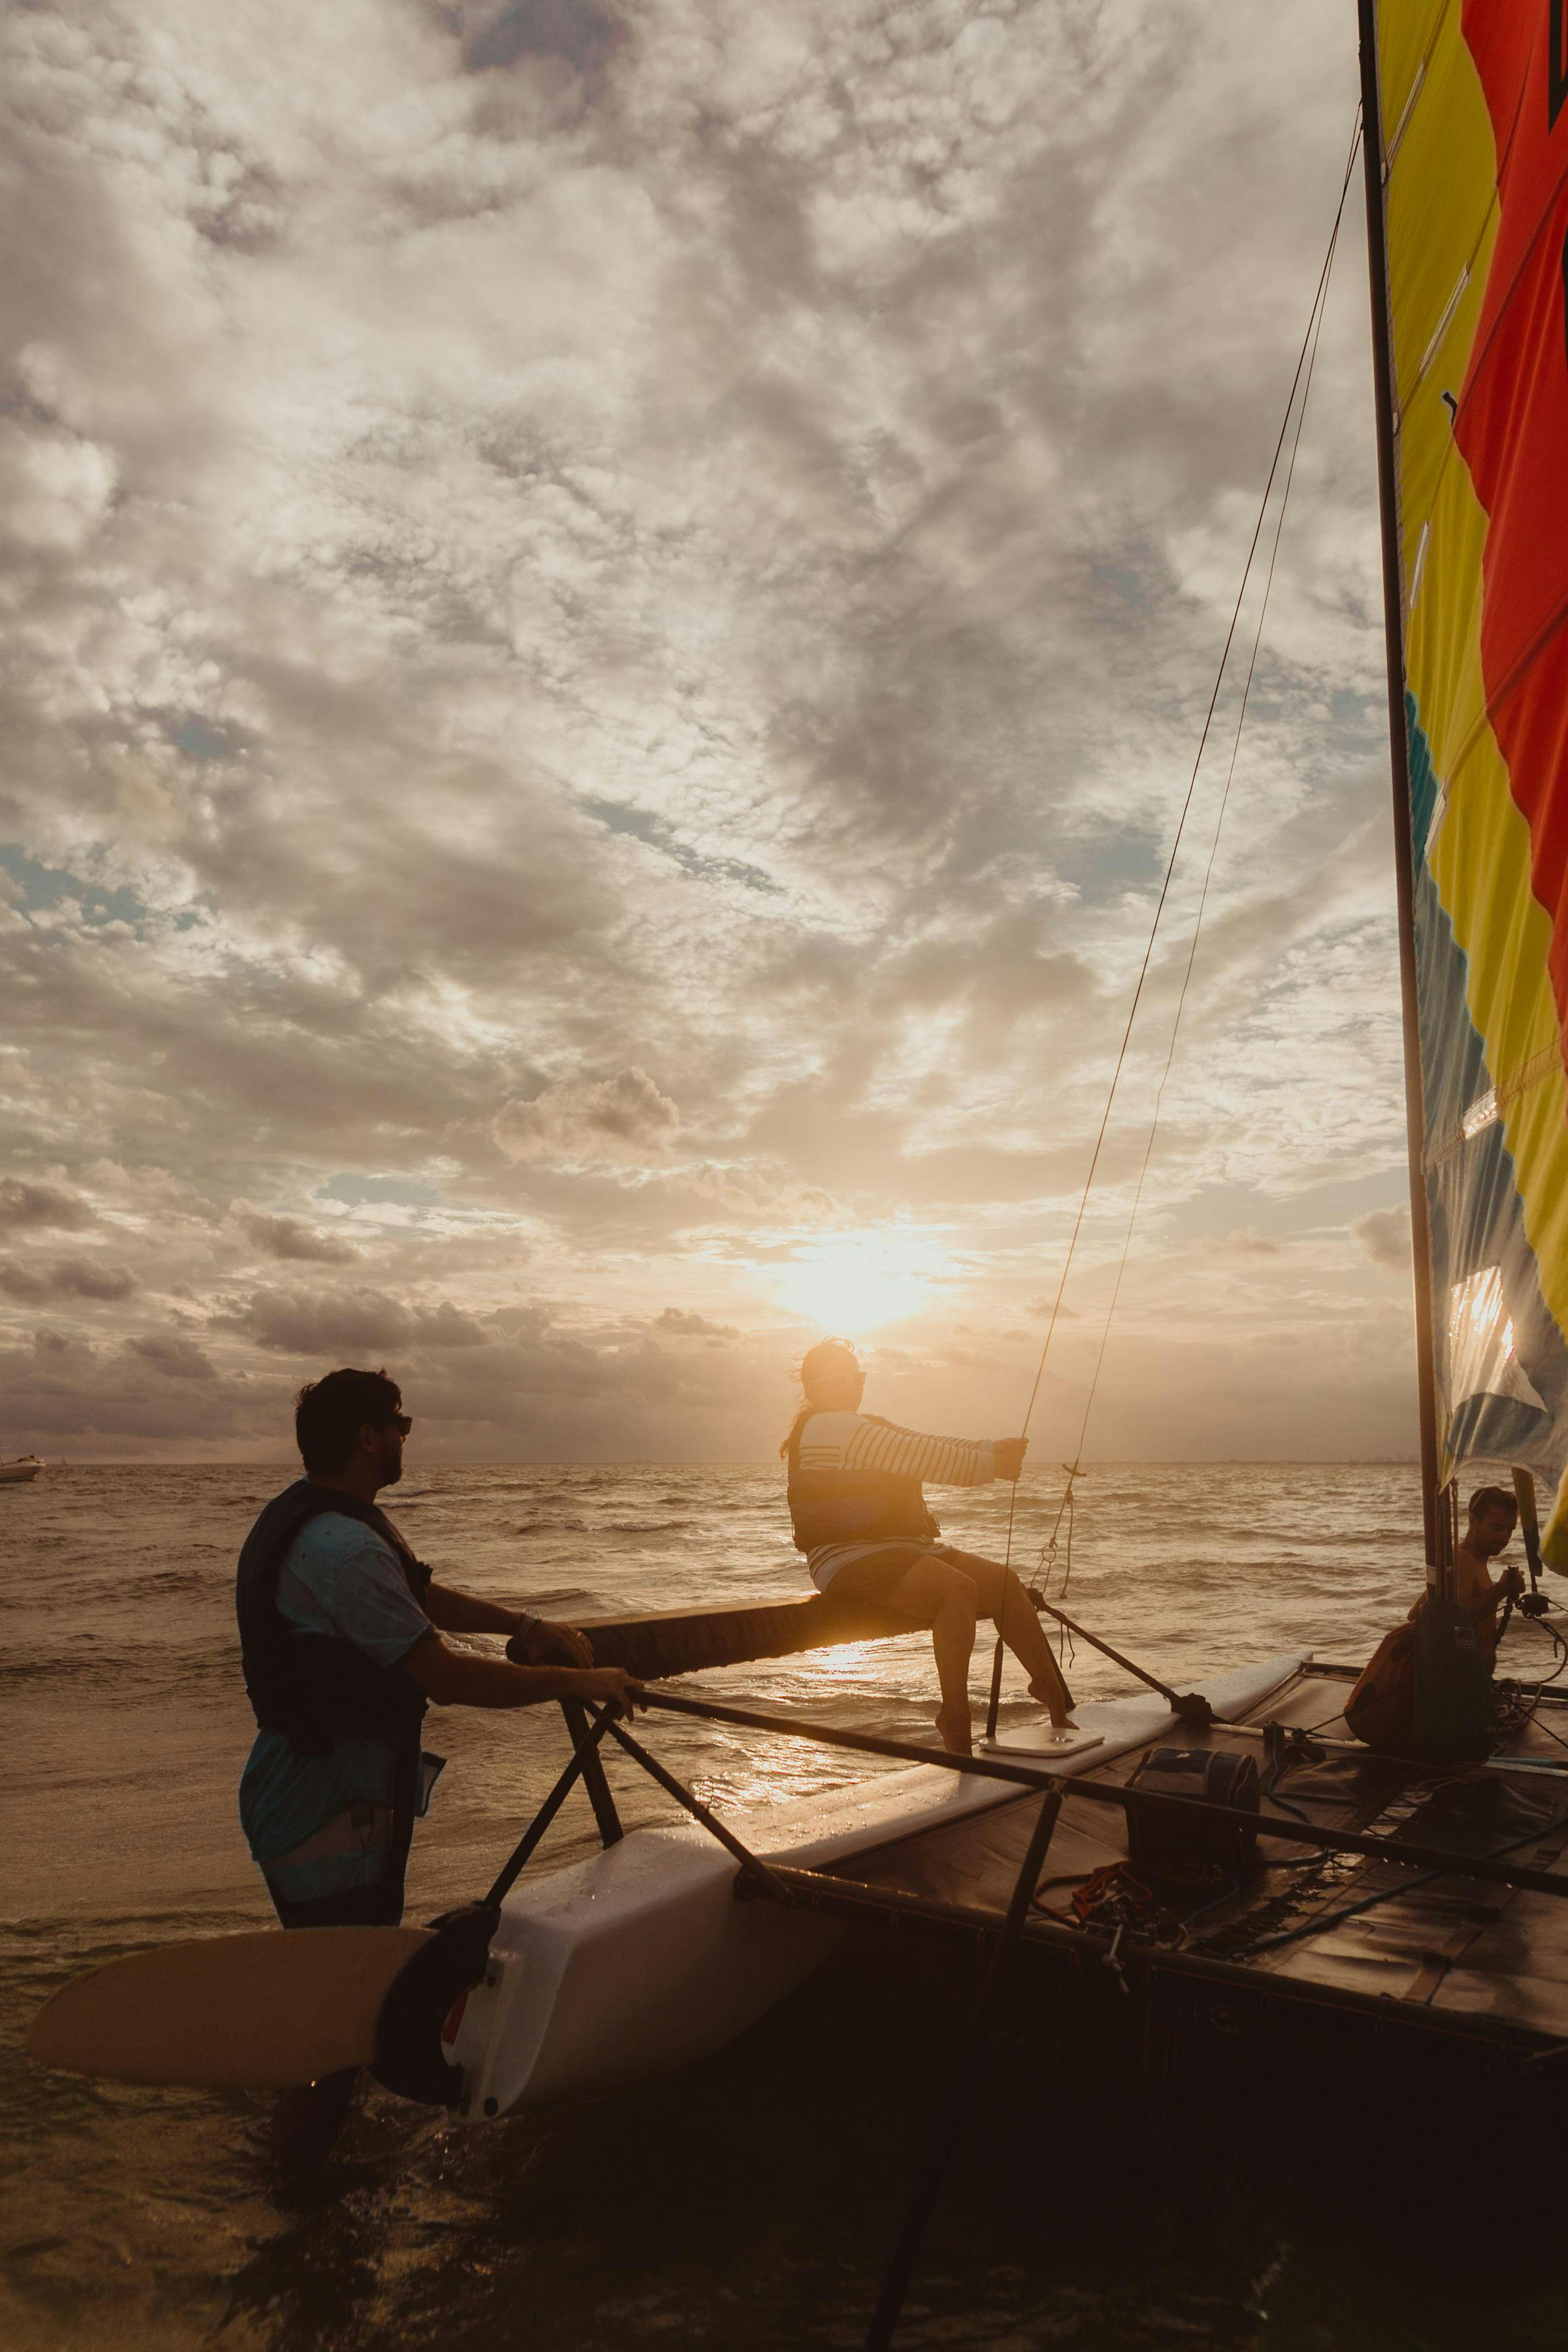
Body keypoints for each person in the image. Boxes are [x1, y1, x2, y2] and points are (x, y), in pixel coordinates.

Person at [235, 1365, 641, 2159]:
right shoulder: (342, 1546)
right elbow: (444, 1677)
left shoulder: (329, 1523)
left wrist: (524, 1624)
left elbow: (420, 1597)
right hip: (324, 1804)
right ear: (366, 1438)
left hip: (326, 1789)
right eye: (400, 1425)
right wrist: (581, 1679)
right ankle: (298, 2194)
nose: (406, 1438)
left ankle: (317, 2178)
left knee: (348, 1999)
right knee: (341, 2017)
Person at [781, 1337, 1075, 1754]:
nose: (851, 1386)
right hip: (847, 1556)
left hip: (902, 1547)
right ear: (814, 1388)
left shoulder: (863, 1423)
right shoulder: (828, 1426)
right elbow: (920, 1455)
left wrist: (992, 1448)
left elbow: (929, 1441)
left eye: (857, 1377)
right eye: (838, 1380)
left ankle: (1050, 1692)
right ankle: (954, 1713)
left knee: (1005, 1583)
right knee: (958, 1589)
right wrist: (992, 1466)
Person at [1345, 1484, 1526, 1755]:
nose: (1503, 1537)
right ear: (1473, 1521)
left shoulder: (1474, 1561)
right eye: (1496, 1527)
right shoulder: (1463, 1560)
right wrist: (1499, 1592)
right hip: (1456, 1691)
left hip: (1469, 1688)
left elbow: (1432, 1611)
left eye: (1510, 1529)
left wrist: (1502, 1592)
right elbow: (1436, 1616)